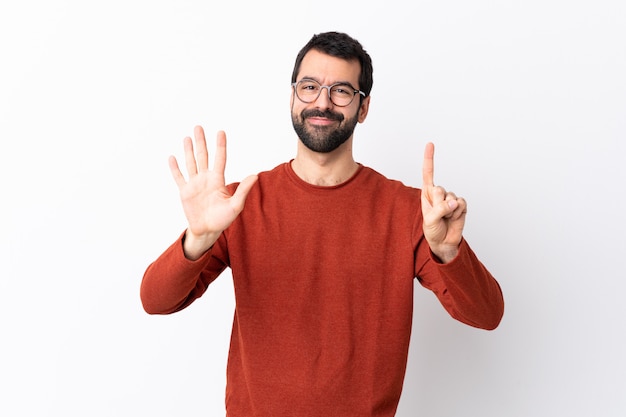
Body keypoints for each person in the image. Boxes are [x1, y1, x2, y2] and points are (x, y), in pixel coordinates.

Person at [140, 31, 504, 417]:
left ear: (363, 108)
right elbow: (155, 301)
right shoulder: (239, 204)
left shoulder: (410, 212)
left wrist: (449, 252)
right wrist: (196, 239)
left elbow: (486, 315)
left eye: (342, 91)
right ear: (293, 96)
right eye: (309, 86)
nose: (323, 102)